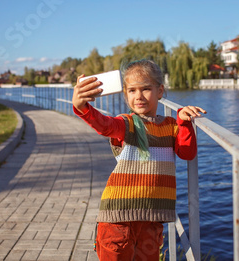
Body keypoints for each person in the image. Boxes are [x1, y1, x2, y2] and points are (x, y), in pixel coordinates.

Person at [72, 59, 206, 261]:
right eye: (132, 90)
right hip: (118, 220)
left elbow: (187, 153)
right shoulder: (126, 123)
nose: (138, 96)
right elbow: (105, 125)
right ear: (125, 94)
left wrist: (184, 122)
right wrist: (82, 107)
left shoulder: (171, 125)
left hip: (152, 220)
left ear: (160, 91)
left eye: (145, 89)